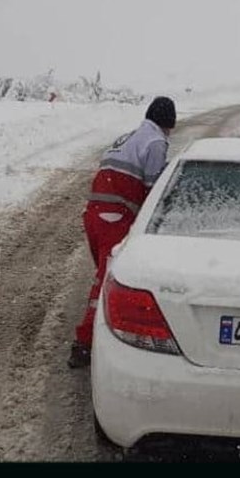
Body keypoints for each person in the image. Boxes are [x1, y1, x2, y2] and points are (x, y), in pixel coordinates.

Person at [68, 96, 176, 368]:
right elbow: (153, 188)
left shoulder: (127, 137)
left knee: (104, 278)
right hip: (114, 218)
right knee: (106, 281)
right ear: (167, 123)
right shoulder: (155, 142)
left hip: (95, 214)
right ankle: (85, 345)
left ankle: (96, 333)